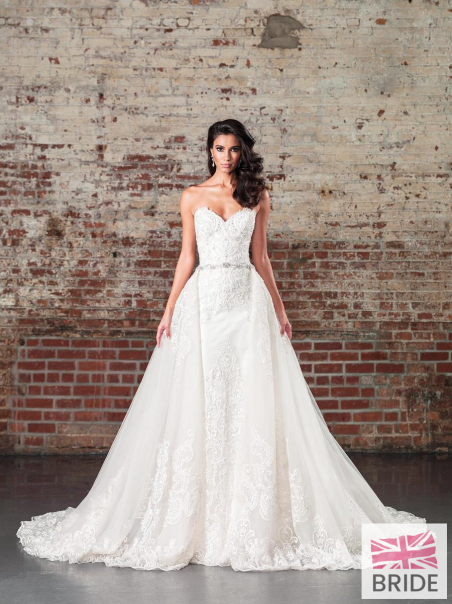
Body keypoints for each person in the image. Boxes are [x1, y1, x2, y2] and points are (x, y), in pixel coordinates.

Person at [17, 119, 426, 572]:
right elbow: (187, 257)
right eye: (219, 148)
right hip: (204, 306)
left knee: (250, 400)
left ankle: (247, 515)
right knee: (201, 400)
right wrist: (168, 311)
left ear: (241, 152)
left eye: (233, 149)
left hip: (247, 305)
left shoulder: (257, 195)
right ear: (209, 151)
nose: (226, 156)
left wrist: (280, 309)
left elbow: (261, 258)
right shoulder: (192, 196)